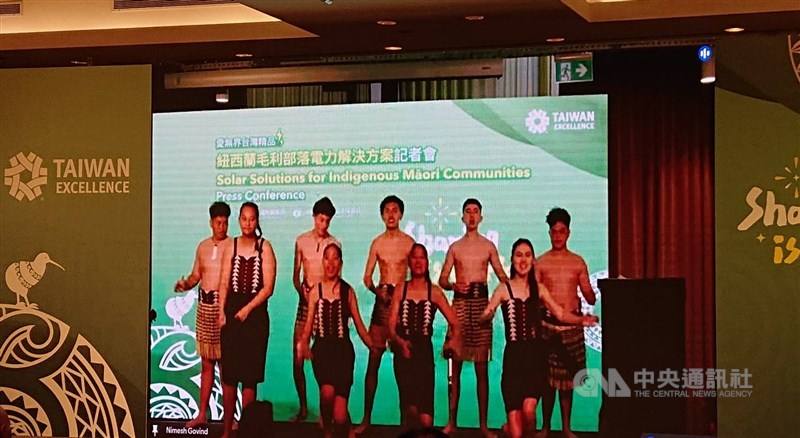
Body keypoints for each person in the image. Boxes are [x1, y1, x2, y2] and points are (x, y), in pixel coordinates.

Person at [481, 239, 598, 438]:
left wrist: (582, 320)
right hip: (513, 361)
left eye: (527, 255)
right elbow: (487, 312)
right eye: (519, 255)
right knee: (516, 434)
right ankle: (507, 429)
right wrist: (487, 316)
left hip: (534, 360)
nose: (523, 260)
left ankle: (511, 428)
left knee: (529, 413)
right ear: (512, 259)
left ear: (533, 260)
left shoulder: (540, 290)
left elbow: (560, 314)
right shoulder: (503, 289)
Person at [437, 198, 508, 437]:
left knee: (481, 371)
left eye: (475, 212)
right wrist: (455, 286)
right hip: (458, 305)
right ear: (462, 217)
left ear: (481, 217)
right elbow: (442, 280)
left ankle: (484, 425)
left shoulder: (488, 246)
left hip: (481, 305)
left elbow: (501, 276)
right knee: (453, 368)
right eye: (467, 212)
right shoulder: (455, 247)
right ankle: (451, 421)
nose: (471, 216)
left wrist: (506, 297)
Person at [296, 243, 374, 438]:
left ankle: (344, 428)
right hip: (322, 351)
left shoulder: (348, 292)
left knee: (340, 415)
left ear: (341, 263)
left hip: (343, 353)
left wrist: (374, 346)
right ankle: (327, 431)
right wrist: (303, 344)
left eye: (335, 258)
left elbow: (359, 325)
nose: (330, 263)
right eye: (327, 258)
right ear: (323, 262)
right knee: (327, 392)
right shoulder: (315, 291)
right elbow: (308, 326)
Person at [535, 208, 597, 438]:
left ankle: (567, 428)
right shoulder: (540, 262)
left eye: (562, 231)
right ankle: (546, 426)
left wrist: (592, 294)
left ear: (568, 233)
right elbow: (534, 297)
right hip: (548, 328)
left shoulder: (577, 262)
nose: (558, 236)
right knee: (547, 383)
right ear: (549, 233)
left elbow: (589, 295)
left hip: (571, 328)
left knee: (568, 384)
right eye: (554, 231)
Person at [217, 202, 277, 438]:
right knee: (230, 376)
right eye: (244, 219)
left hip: (255, 318)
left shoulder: (265, 247)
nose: (248, 223)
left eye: (252, 219)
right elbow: (223, 282)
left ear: (258, 220)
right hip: (231, 315)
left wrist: (248, 309)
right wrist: (222, 311)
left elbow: (268, 287)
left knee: (250, 378)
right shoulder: (230, 245)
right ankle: (226, 429)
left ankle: (247, 431)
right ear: (239, 220)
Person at [356, 195, 416, 433]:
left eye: (395, 210)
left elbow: (416, 276)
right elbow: (367, 277)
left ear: (401, 214)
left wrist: (404, 298)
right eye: (387, 211)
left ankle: (405, 423)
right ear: (382, 215)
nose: (391, 214)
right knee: (373, 362)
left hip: (402, 307)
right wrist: (377, 292)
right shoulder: (377, 243)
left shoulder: (409, 243)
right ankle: (366, 418)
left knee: (404, 369)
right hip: (382, 305)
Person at [389, 243, 461, 429]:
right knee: (410, 413)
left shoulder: (434, 292)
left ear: (427, 262)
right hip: (404, 353)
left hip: (424, 354)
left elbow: (455, 323)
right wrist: (400, 343)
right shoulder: (401, 289)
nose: (418, 261)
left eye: (422, 257)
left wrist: (450, 343)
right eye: (415, 257)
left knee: (426, 421)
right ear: (409, 262)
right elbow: (390, 326)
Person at [173, 201, 231, 428]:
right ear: (211, 222)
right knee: (206, 364)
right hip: (204, 309)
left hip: (224, 309)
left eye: (225, 222)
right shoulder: (203, 247)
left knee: (227, 366)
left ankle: (230, 419)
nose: (222, 226)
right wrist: (185, 284)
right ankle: (201, 413)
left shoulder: (233, 245)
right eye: (218, 222)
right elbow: (196, 275)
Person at [291, 196, 340, 422]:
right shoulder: (301, 241)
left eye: (327, 221)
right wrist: (304, 292)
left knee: (324, 360)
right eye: (321, 219)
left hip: (326, 307)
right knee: (298, 358)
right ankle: (303, 407)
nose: (324, 224)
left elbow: (336, 278)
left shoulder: (335, 244)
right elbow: (295, 275)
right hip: (305, 303)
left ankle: (325, 412)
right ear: (314, 218)